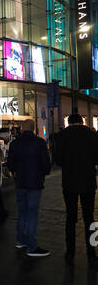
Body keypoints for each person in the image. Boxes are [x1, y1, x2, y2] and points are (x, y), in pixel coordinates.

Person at [55, 114, 98, 266]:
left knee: (71, 217)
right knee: (89, 218)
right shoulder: (92, 134)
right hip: (88, 182)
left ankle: (70, 252)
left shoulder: (62, 135)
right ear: (82, 121)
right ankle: (92, 253)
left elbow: (57, 160)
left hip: (69, 182)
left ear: (69, 122)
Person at [7, 119, 51, 257]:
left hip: (20, 183)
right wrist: (43, 172)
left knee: (22, 213)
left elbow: (10, 164)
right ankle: (31, 247)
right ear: (33, 129)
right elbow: (46, 165)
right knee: (32, 214)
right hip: (35, 183)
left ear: (22, 128)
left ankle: (20, 240)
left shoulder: (14, 144)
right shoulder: (40, 143)